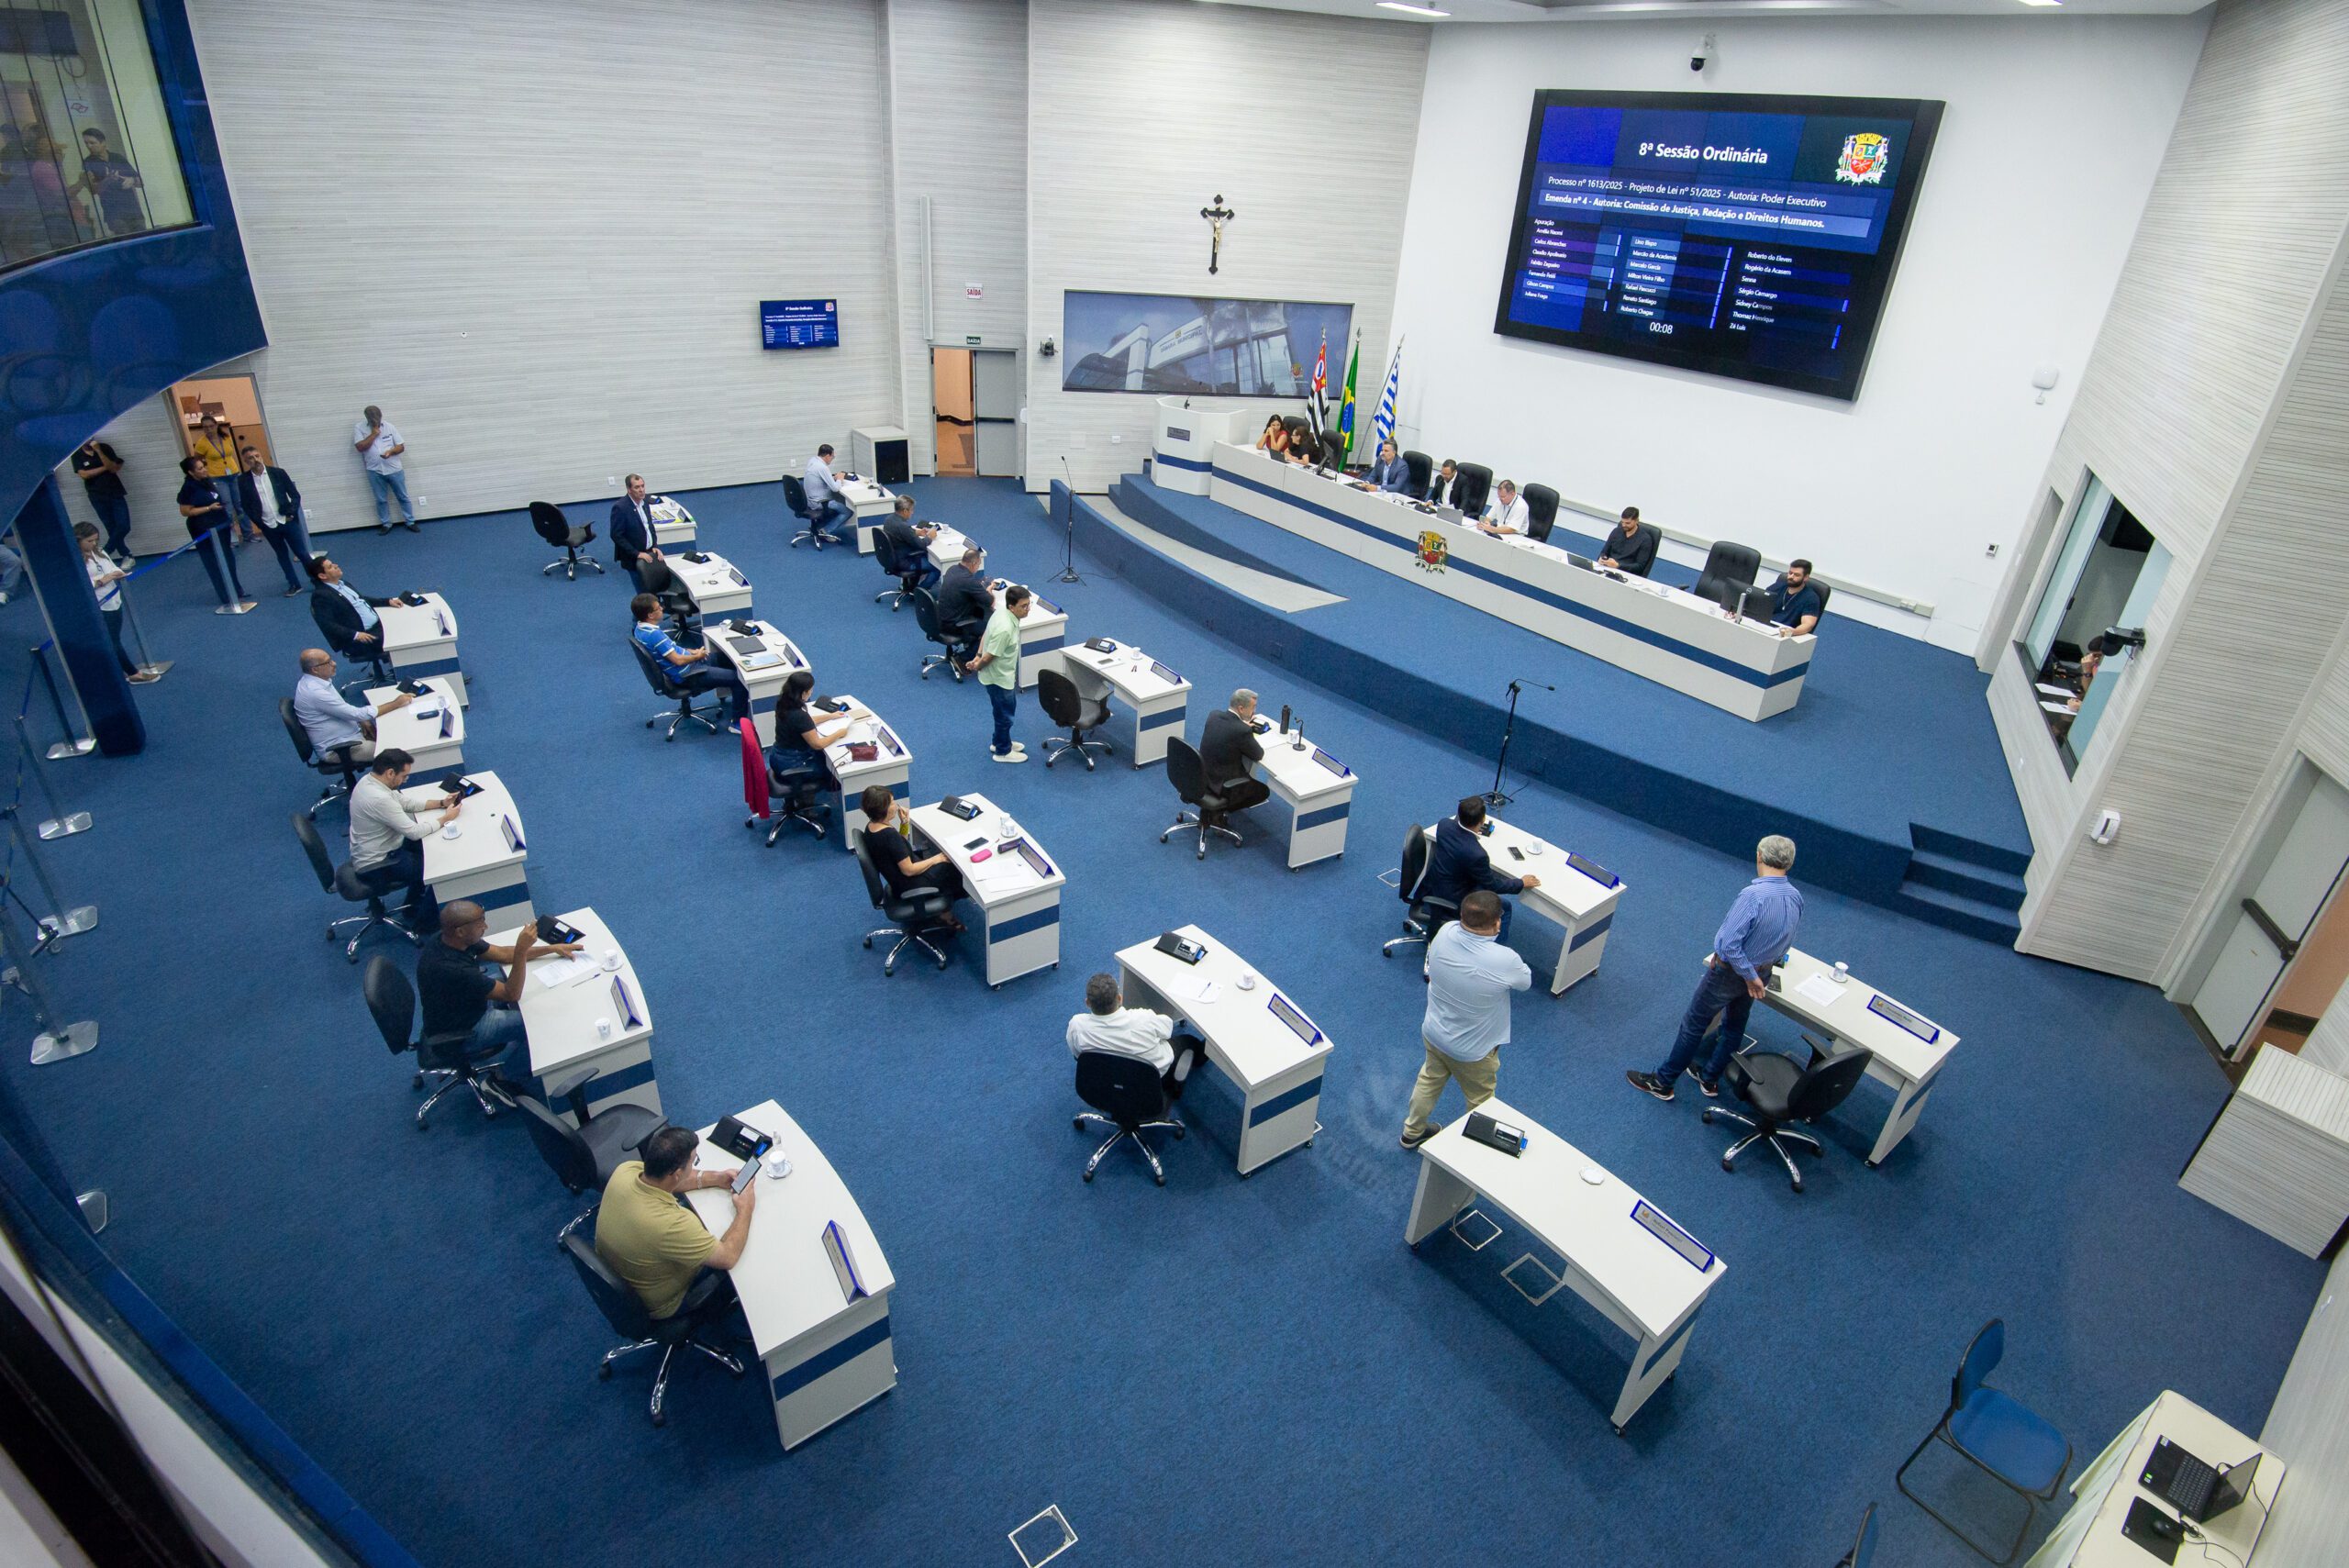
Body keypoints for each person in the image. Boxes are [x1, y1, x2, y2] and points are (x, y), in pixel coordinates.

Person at [1628, 835, 1803, 1102]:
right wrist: (1757, 976)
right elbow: (1786, 939)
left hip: (1732, 975)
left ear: (1759, 856)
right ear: (1789, 863)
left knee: (1694, 1025)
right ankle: (1709, 1079)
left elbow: (1729, 944)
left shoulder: (1753, 896)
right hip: (1762, 973)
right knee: (1734, 1026)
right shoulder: (1795, 896)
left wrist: (1747, 974)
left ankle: (1663, 1083)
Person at [1400, 891, 1531, 1149]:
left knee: (1429, 1079)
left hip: (1434, 1033)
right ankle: (1473, 1153)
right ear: (1497, 922)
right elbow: (1525, 982)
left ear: (1461, 916)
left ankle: (1412, 1132)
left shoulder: (1445, 931)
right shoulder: (1506, 959)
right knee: (1481, 1102)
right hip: (1474, 1052)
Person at [594, 1124, 757, 1324]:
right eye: (693, 1161)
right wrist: (745, 1208)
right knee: (747, 1256)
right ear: (678, 1173)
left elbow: (667, 1181)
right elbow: (727, 1257)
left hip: (628, 1274)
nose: (694, 1165)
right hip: (665, 1304)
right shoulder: (672, 1225)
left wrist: (716, 1178)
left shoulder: (625, 1171)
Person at [417, 899, 578, 1093]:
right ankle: (503, 1079)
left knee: (514, 981)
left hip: (461, 1004)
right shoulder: (453, 969)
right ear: (460, 931)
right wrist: (521, 950)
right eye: (480, 923)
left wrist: (551, 949)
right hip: (466, 1028)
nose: (485, 927)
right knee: (539, 1025)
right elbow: (512, 994)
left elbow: (502, 954)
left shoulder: (447, 939)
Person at [349, 748, 462, 926]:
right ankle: (425, 924)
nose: (406, 780)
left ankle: (412, 905)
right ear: (390, 773)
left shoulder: (369, 781)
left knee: (425, 850)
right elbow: (414, 832)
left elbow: (405, 803)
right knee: (440, 869)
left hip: (376, 850)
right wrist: (446, 818)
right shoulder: (379, 799)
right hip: (379, 864)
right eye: (404, 776)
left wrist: (441, 803)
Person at [1067, 972, 1202, 1099]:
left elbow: (1078, 1055)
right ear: (1119, 998)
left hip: (1105, 1081)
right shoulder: (1143, 1018)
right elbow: (1167, 1031)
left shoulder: (1077, 1025)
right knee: (1189, 1042)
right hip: (1152, 1082)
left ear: (1087, 1003)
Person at [630, 592, 749, 726]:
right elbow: (678, 660)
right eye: (658, 608)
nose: (662, 608)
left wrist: (691, 651)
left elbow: (671, 649)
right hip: (688, 674)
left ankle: (740, 699)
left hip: (686, 665)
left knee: (727, 658)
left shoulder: (639, 629)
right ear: (650, 615)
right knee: (739, 679)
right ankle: (737, 723)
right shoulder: (654, 635)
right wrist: (697, 656)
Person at [858, 785, 967, 924]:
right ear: (882, 809)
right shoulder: (889, 835)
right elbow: (908, 870)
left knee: (937, 857)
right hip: (911, 884)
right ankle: (944, 913)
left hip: (897, 881)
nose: (896, 806)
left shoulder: (871, 827)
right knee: (956, 868)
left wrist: (904, 823)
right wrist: (936, 859)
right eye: (892, 803)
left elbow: (899, 848)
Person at [1421, 795, 1539, 915]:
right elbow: (1493, 886)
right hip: (1454, 900)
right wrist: (1521, 882)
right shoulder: (1477, 855)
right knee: (1505, 908)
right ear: (1482, 821)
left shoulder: (1444, 825)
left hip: (1433, 886)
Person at [295, 646, 412, 762]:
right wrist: (396, 703)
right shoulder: (315, 692)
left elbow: (342, 709)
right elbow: (357, 714)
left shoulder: (316, 681)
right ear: (315, 669)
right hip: (340, 748)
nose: (334, 664)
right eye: (328, 662)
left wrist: (360, 720)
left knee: (396, 734)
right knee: (399, 753)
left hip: (349, 735)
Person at [78, 525, 159, 684]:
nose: (94, 544)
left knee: (112, 638)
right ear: (78, 540)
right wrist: (103, 580)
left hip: (113, 599)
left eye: (95, 540)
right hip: (98, 604)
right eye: (89, 541)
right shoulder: (76, 559)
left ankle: (113, 670)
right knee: (112, 640)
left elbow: (112, 567)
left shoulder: (99, 552)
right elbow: (80, 583)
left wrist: (118, 573)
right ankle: (133, 673)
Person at [176, 455, 254, 611]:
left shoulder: (207, 482)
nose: (204, 470)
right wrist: (208, 508)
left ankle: (236, 590)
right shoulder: (188, 488)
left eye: (204, 466)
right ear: (191, 472)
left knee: (228, 558)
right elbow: (185, 511)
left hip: (220, 525)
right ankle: (226, 595)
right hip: (203, 528)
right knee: (213, 562)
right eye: (200, 468)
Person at [235, 444, 311, 595]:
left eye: (257, 456)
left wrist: (291, 513)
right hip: (268, 525)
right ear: (246, 461)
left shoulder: (278, 473)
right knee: (281, 555)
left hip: (287, 520)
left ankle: (316, 579)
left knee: (302, 552)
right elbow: (246, 505)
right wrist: (259, 523)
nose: (255, 460)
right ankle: (294, 584)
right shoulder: (243, 480)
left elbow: (295, 495)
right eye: (251, 458)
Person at [968, 583, 1031, 762]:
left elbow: (985, 634)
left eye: (1029, 604)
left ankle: (999, 742)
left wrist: (977, 656)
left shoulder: (1001, 612)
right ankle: (1003, 752)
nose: (1028, 609)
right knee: (1005, 716)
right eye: (1023, 606)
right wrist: (978, 665)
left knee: (1000, 712)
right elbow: (990, 656)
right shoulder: (1005, 628)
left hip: (998, 675)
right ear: (1012, 607)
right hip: (999, 678)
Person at [1198, 687, 1274, 820]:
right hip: (1222, 786)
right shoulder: (1242, 730)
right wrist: (1244, 729)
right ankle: (1219, 810)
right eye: (1253, 707)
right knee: (1263, 791)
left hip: (1202, 776)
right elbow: (1258, 754)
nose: (1254, 711)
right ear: (1241, 709)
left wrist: (1241, 725)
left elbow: (1228, 731)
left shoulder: (1213, 715)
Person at [308, 556, 398, 661]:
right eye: (330, 567)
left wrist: (387, 601)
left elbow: (361, 599)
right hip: (361, 637)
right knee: (399, 636)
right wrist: (355, 635)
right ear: (322, 575)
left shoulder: (343, 583)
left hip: (377, 625)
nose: (336, 566)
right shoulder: (321, 596)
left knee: (400, 622)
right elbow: (327, 624)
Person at [189, 416, 254, 545]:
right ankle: (232, 538)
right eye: (205, 427)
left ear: (216, 425)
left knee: (240, 504)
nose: (209, 429)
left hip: (233, 473)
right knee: (227, 507)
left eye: (211, 426)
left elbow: (230, 454)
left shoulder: (226, 437)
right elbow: (197, 461)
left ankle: (248, 534)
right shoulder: (202, 443)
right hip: (217, 477)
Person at [70, 128, 146, 238]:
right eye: (86, 143)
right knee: (125, 241)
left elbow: (141, 182)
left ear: (103, 143)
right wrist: (108, 180)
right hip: (114, 214)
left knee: (143, 239)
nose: (89, 146)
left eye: (92, 143)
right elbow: (93, 190)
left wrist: (133, 180)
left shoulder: (118, 158)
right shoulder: (88, 163)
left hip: (133, 210)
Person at [352, 406, 416, 532]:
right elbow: (360, 447)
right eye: (373, 419)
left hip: (394, 469)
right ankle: (386, 524)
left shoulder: (389, 426)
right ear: (367, 418)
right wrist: (373, 434)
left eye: (378, 418)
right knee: (381, 499)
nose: (376, 421)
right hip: (374, 470)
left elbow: (401, 447)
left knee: (403, 497)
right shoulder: (359, 428)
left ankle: (410, 521)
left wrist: (391, 452)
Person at [72, 439, 133, 562]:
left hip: (115, 492)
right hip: (96, 496)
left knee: (124, 525)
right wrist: (106, 467)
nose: (89, 440)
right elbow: (84, 475)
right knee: (111, 527)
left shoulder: (105, 448)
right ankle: (126, 555)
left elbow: (113, 469)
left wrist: (99, 451)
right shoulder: (76, 454)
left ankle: (105, 551)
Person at [936, 546, 996, 656]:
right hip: (955, 625)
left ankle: (970, 646)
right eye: (978, 565)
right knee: (993, 630)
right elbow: (991, 602)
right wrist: (989, 590)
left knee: (978, 612)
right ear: (973, 563)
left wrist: (977, 586)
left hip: (941, 619)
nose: (977, 568)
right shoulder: (969, 581)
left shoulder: (952, 569)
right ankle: (963, 659)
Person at [608, 473, 663, 584]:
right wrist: (637, 553)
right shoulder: (620, 507)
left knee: (656, 585)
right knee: (642, 590)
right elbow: (616, 535)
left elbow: (649, 526)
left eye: (643, 486)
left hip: (650, 553)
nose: (641, 490)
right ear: (629, 490)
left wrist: (655, 545)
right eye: (637, 487)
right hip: (634, 558)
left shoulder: (645, 502)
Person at [878, 495, 941, 592]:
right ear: (905, 511)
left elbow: (901, 533)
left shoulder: (889, 519)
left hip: (891, 558)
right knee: (937, 568)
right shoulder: (903, 526)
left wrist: (918, 532)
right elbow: (922, 545)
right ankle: (919, 592)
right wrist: (930, 537)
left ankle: (913, 586)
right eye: (911, 510)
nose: (912, 512)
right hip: (905, 561)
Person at [802, 443, 853, 543]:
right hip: (820, 502)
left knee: (838, 501)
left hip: (809, 500)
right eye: (832, 456)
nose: (832, 459)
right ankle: (825, 531)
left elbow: (819, 478)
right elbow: (835, 489)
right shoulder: (822, 467)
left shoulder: (812, 461)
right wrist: (839, 479)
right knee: (847, 512)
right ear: (827, 456)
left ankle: (818, 527)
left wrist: (832, 478)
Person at [1764, 559, 1824, 637]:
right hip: (1766, 628)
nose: (1791, 577)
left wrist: (1792, 632)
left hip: (1786, 634)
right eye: (1790, 573)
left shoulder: (1811, 598)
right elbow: (1760, 608)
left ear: (1806, 577)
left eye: (1796, 575)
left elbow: (1808, 625)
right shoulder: (1775, 588)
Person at [1598, 506, 1657, 577]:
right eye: (1622, 522)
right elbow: (1604, 552)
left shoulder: (1645, 540)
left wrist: (1618, 566)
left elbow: (1639, 566)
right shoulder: (1616, 531)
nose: (1624, 525)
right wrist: (1602, 558)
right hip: (1608, 568)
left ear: (1636, 521)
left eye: (1627, 523)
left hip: (1626, 574)